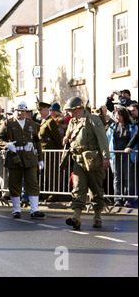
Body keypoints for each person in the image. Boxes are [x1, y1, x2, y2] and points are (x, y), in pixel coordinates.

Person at [63, 97, 110, 230]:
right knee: (78, 188)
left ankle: (97, 216)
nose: (68, 113)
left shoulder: (93, 119)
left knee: (95, 188)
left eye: (70, 110)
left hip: (93, 159)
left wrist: (106, 157)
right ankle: (76, 217)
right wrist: (66, 139)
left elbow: (103, 139)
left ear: (77, 109)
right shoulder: (72, 122)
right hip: (78, 160)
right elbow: (70, 138)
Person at [0, 101, 45, 219]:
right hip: (14, 156)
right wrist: (7, 145)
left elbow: (37, 142)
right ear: (14, 111)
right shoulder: (7, 123)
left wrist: (40, 159)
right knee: (14, 183)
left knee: (32, 182)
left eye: (22, 111)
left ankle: (35, 210)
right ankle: (16, 209)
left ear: (26, 112)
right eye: (18, 111)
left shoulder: (32, 123)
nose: (20, 113)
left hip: (29, 157)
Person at [106, 107, 137, 207]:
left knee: (128, 178)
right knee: (117, 178)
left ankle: (128, 199)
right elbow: (108, 140)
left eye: (118, 115)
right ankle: (118, 199)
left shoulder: (132, 127)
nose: (116, 117)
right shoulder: (112, 127)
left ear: (124, 116)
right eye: (115, 115)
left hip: (128, 156)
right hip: (115, 156)